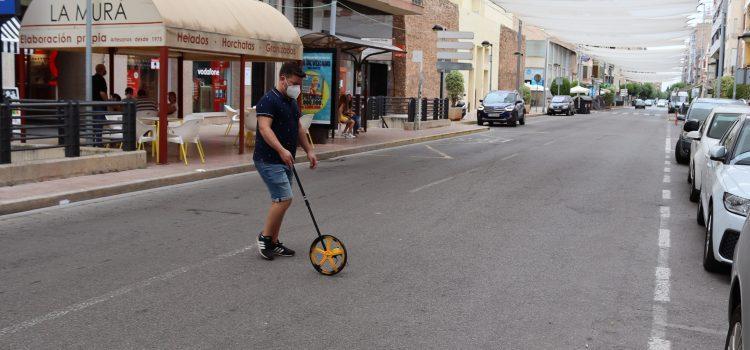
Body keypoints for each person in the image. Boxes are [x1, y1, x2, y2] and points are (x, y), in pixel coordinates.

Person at [255, 62, 318, 260]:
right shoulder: (268, 100)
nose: (296, 88)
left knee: (282, 199)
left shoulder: (290, 101)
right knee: (283, 198)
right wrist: (281, 150)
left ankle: (274, 240)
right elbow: (265, 129)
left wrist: (309, 150)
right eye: (294, 83)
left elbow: (299, 127)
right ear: (282, 79)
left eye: (299, 85)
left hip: (285, 158)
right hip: (269, 159)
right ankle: (265, 238)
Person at [92, 64, 109, 146]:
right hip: (100, 104)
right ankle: (98, 143)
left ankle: (93, 142)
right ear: (102, 70)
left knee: (93, 124)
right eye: (105, 69)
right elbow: (102, 93)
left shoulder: (91, 78)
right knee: (99, 124)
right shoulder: (101, 79)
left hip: (91, 104)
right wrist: (108, 102)